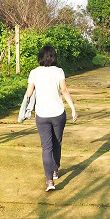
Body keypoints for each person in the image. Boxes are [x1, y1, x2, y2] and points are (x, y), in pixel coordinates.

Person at [25, 44, 77, 191]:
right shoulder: (59, 71)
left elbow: (29, 94)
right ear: (54, 57)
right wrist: (73, 109)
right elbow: (64, 90)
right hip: (58, 113)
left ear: (40, 57)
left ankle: (49, 181)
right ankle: (55, 170)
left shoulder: (34, 72)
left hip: (42, 114)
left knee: (46, 147)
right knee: (57, 142)